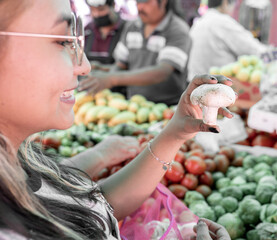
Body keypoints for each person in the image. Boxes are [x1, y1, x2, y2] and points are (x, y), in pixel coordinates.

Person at [0, 0, 232, 239]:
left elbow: (89, 207)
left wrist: (175, 134)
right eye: (62, 41)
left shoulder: (20, 160)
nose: (84, 66)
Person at [78, 0, 192, 106]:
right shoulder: (132, 27)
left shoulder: (177, 30)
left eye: (145, 1)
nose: (140, 7)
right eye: (137, 1)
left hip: (168, 106)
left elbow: (163, 71)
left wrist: (111, 78)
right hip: (134, 105)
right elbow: (121, 65)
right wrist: (103, 70)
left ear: (163, 1)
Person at [187, 0, 267, 81]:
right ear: (225, 3)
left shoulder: (199, 23)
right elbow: (254, 49)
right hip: (217, 86)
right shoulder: (222, 22)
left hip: (195, 85)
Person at [84, 0, 128, 96]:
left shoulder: (127, 29)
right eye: (93, 10)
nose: (97, 14)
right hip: (88, 93)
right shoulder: (87, 31)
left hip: (118, 95)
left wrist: (103, 69)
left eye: (101, 10)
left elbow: (131, 68)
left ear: (113, 5)